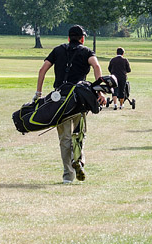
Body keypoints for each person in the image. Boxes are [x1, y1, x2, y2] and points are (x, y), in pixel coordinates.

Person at [35, 25, 106, 184]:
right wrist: (100, 92)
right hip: (79, 100)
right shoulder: (87, 52)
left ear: (68, 38)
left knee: (64, 138)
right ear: (82, 38)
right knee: (79, 134)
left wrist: (38, 94)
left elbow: (42, 70)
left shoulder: (57, 50)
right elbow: (96, 66)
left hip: (59, 99)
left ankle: (68, 175)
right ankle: (79, 160)